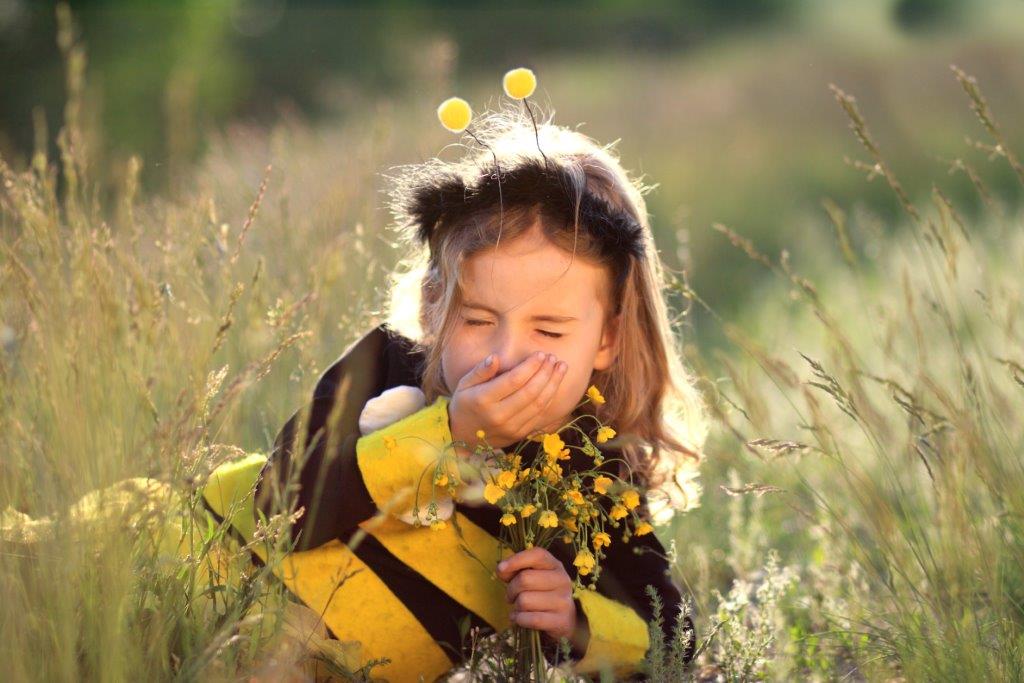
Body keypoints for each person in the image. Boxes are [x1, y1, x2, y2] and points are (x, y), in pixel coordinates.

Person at [202, 97, 709, 681]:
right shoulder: (387, 364)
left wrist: (575, 619)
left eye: (548, 329)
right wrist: (450, 435)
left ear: (607, 339)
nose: (504, 355)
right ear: (432, 305)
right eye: (475, 320)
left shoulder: (595, 471)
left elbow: (676, 639)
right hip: (206, 574)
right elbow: (279, 506)